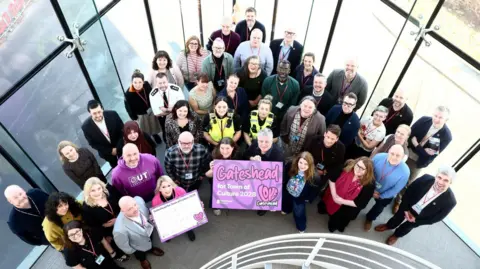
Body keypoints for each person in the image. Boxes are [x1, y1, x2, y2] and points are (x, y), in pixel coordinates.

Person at [374, 165, 457, 245]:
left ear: (451, 182)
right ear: (436, 176)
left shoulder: (450, 201)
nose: (440, 182)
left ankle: (396, 235)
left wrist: (416, 221)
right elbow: (408, 192)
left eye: (446, 180)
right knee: (397, 216)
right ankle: (389, 225)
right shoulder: (425, 178)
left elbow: (436, 218)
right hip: (407, 206)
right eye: (439, 177)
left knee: (407, 227)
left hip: (419, 218)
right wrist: (406, 209)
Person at [393, 106, 452, 213]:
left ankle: (398, 200)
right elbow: (409, 135)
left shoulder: (446, 136)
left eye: (440, 117)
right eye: (435, 115)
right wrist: (419, 147)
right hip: (406, 151)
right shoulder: (424, 120)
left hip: (418, 161)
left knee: (408, 181)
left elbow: (429, 155)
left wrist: (416, 144)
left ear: (446, 120)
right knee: (394, 169)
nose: (436, 119)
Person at [320, 157, 375, 233]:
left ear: (367, 171)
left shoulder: (369, 184)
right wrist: (334, 195)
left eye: (362, 169)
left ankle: (337, 226)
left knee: (340, 220)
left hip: (348, 207)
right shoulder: (347, 166)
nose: (358, 169)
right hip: (333, 195)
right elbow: (332, 176)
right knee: (330, 212)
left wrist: (341, 200)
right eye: (358, 165)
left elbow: (361, 204)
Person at [364, 145, 409, 231]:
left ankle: (369, 219)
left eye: (398, 155)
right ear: (388, 152)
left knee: (378, 208)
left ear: (403, 157)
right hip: (369, 186)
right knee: (362, 200)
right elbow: (368, 171)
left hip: (384, 194)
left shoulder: (405, 171)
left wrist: (381, 196)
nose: (394, 157)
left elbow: (396, 189)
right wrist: (370, 188)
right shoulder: (378, 157)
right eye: (392, 153)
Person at [113, 196, 165, 269]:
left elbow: (146, 211)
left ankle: (151, 249)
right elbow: (124, 246)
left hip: (148, 231)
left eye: (134, 204)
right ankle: (142, 260)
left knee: (150, 241)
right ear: (122, 210)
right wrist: (134, 250)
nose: (136, 209)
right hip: (137, 246)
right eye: (130, 208)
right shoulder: (119, 230)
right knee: (140, 254)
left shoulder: (138, 200)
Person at [244, 128, 285, 216]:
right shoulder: (255, 144)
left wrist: (274, 201)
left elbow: (279, 177)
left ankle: (263, 207)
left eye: (267, 142)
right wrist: (251, 158)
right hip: (254, 175)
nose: (263, 144)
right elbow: (245, 155)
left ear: (272, 141)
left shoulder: (278, 155)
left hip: (268, 180)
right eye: (261, 141)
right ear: (257, 140)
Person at [302, 125, 345, 201]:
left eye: (332, 139)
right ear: (325, 134)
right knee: (306, 182)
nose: (329, 141)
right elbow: (306, 153)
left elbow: (338, 165)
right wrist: (311, 167)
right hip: (310, 166)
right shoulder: (314, 140)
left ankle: (310, 197)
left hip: (325, 171)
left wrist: (325, 171)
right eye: (328, 137)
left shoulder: (341, 148)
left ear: (337, 139)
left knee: (317, 185)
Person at [82, 178, 125, 253]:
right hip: (108, 229)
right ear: (88, 192)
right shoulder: (86, 208)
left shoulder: (110, 190)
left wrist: (119, 218)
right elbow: (93, 226)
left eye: (99, 188)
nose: (97, 192)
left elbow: (123, 201)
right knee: (118, 245)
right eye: (93, 190)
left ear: (102, 187)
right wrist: (104, 233)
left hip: (123, 217)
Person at [151, 176, 196, 241]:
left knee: (187, 218)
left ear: (172, 185)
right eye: (163, 187)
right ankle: (168, 234)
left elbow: (188, 203)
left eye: (169, 185)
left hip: (181, 212)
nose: (167, 189)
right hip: (167, 217)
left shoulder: (180, 191)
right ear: (159, 189)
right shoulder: (155, 201)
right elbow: (158, 217)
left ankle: (189, 230)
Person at [82, 100, 124, 168]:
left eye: (99, 112)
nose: (98, 115)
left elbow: (122, 130)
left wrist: (117, 148)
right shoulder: (86, 127)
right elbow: (93, 144)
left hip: (121, 147)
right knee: (117, 169)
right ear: (90, 113)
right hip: (107, 154)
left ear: (102, 108)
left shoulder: (113, 114)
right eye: (94, 113)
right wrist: (110, 151)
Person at [124, 69, 162, 144]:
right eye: (135, 82)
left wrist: (156, 107)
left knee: (153, 125)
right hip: (140, 115)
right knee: (144, 130)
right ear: (132, 82)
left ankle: (155, 135)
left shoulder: (146, 85)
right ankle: (150, 141)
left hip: (151, 110)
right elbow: (128, 108)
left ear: (143, 81)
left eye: (140, 82)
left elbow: (153, 96)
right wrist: (134, 117)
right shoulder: (128, 94)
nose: (137, 85)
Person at [282, 152, 316, 233]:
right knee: (286, 202)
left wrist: (308, 198)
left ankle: (301, 226)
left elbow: (314, 190)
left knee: (299, 212)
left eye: (305, 164)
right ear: (297, 161)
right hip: (287, 191)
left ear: (310, 165)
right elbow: (284, 175)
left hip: (300, 197)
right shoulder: (290, 166)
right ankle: (286, 209)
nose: (302, 166)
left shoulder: (313, 177)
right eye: (300, 162)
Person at [205, 137, 241, 216]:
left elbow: (246, 167)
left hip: (232, 179)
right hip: (216, 181)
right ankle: (216, 206)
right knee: (215, 193)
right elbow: (206, 174)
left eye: (228, 148)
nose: (225, 151)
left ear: (233, 148)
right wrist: (212, 170)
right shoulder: (212, 155)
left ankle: (233, 202)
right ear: (219, 147)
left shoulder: (238, 154)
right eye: (222, 148)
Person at [150, 72, 185, 142]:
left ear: (167, 81)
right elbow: (157, 114)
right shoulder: (153, 94)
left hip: (178, 116)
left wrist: (164, 110)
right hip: (164, 119)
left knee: (181, 132)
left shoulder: (176, 89)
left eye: (164, 82)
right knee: (167, 135)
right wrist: (173, 109)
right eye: (160, 83)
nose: (162, 85)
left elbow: (183, 106)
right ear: (156, 83)